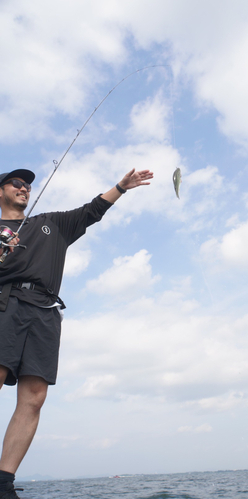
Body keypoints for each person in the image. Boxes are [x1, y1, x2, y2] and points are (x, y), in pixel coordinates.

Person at [0, 167, 153, 498]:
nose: (24, 188)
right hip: (6, 304)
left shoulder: (51, 223)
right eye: (16, 183)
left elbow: (91, 211)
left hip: (46, 311)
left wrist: (121, 187)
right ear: (0, 191)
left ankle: (3, 483)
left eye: (27, 185)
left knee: (34, 398)